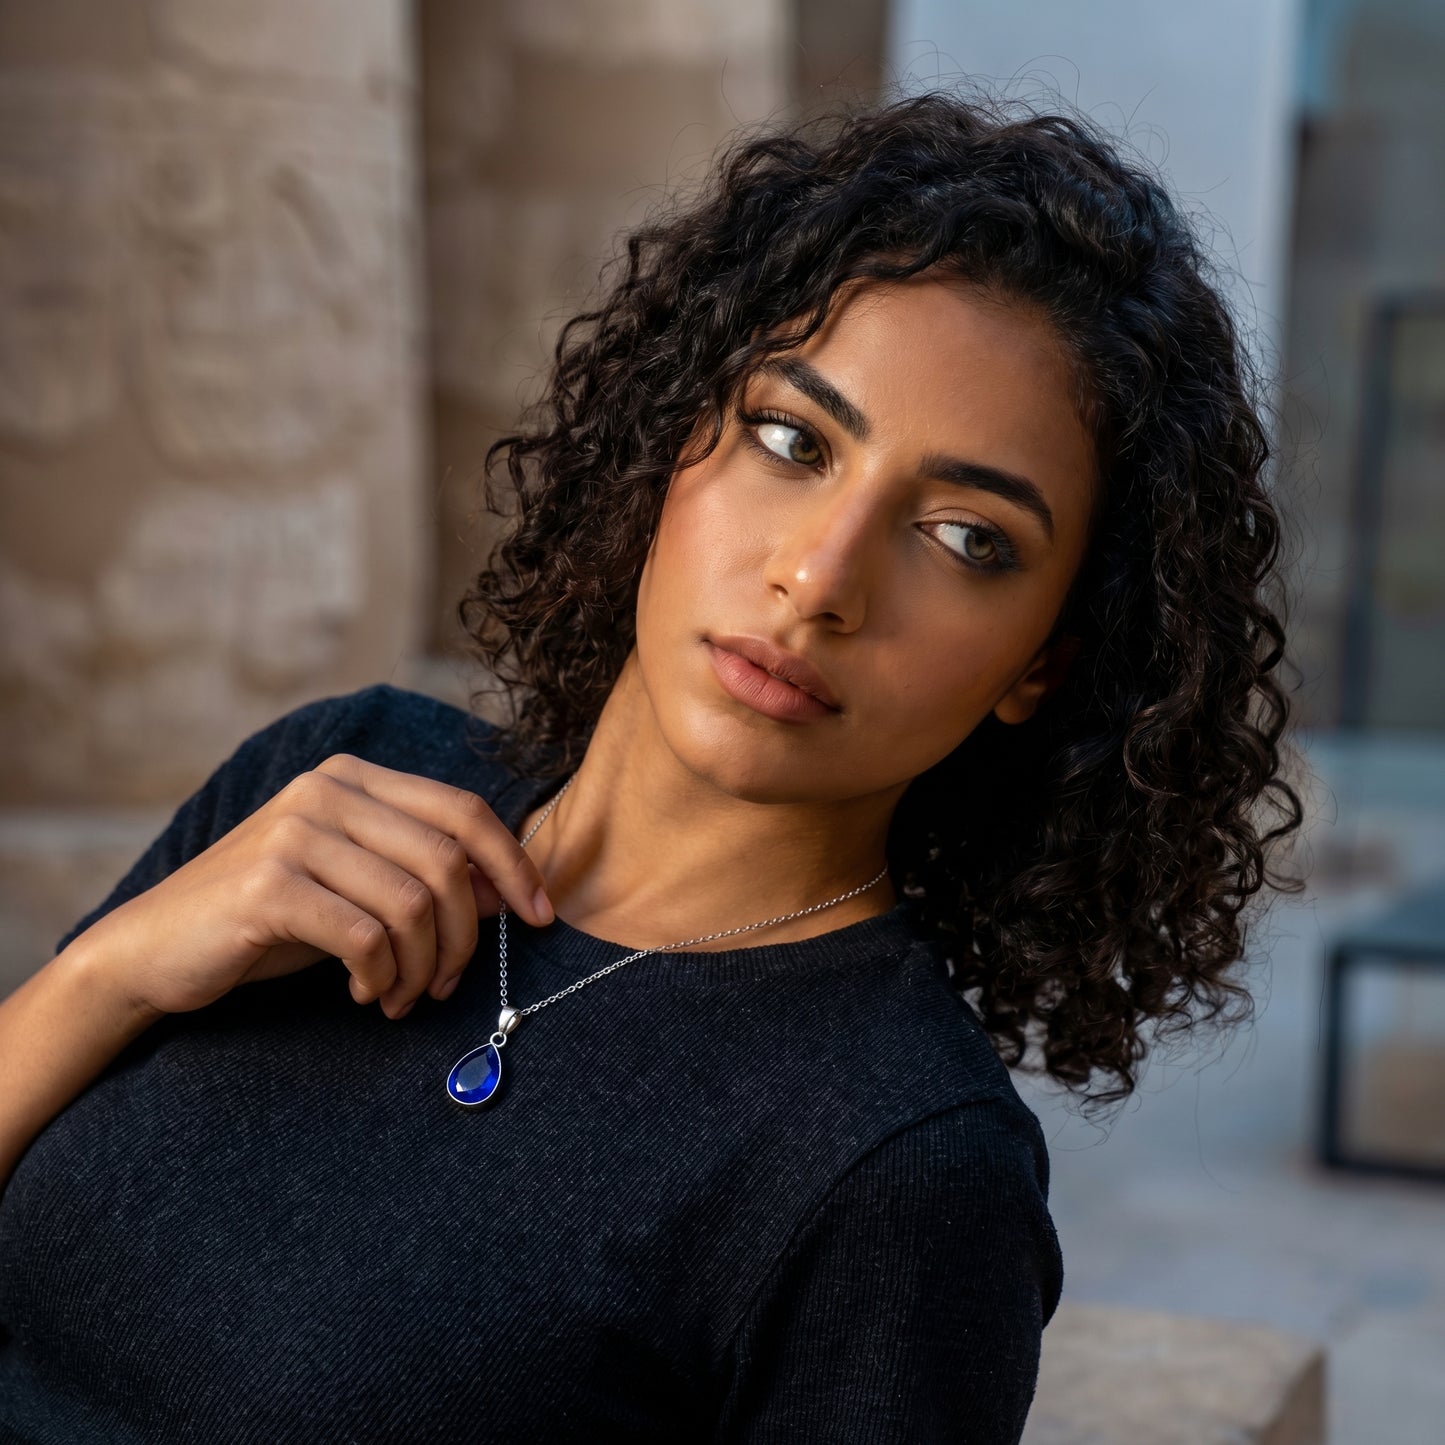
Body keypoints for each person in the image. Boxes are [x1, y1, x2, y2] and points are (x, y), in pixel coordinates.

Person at [0, 88, 1305, 1443]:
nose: (818, 578)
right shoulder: (338, 771)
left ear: (1041, 660)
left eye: (966, 537)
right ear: (674, 437)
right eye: (793, 442)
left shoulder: (898, 1170)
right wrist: (115, 968)